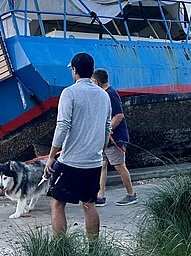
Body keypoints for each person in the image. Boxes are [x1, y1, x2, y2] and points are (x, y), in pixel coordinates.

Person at [44, 52, 112, 239]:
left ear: (74, 71)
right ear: (91, 71)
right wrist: (101, 148)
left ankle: (61, 249)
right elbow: (107, 127)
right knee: (90, 204)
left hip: (71, 161)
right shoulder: (103, 95)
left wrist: (51, 155)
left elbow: (63, 125)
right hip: (94, 161)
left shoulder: (69, 93)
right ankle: (94, 250)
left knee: (57, 203)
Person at [92, 68, 137, 207]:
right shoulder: (104, 93)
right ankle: (100, 195)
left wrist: (108, 129)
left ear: (97, 81)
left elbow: (119, 115)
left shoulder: (110, 94)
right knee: (102, 165)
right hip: (105, 138)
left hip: (115, 139)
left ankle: (131, 194)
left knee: (119, 166)